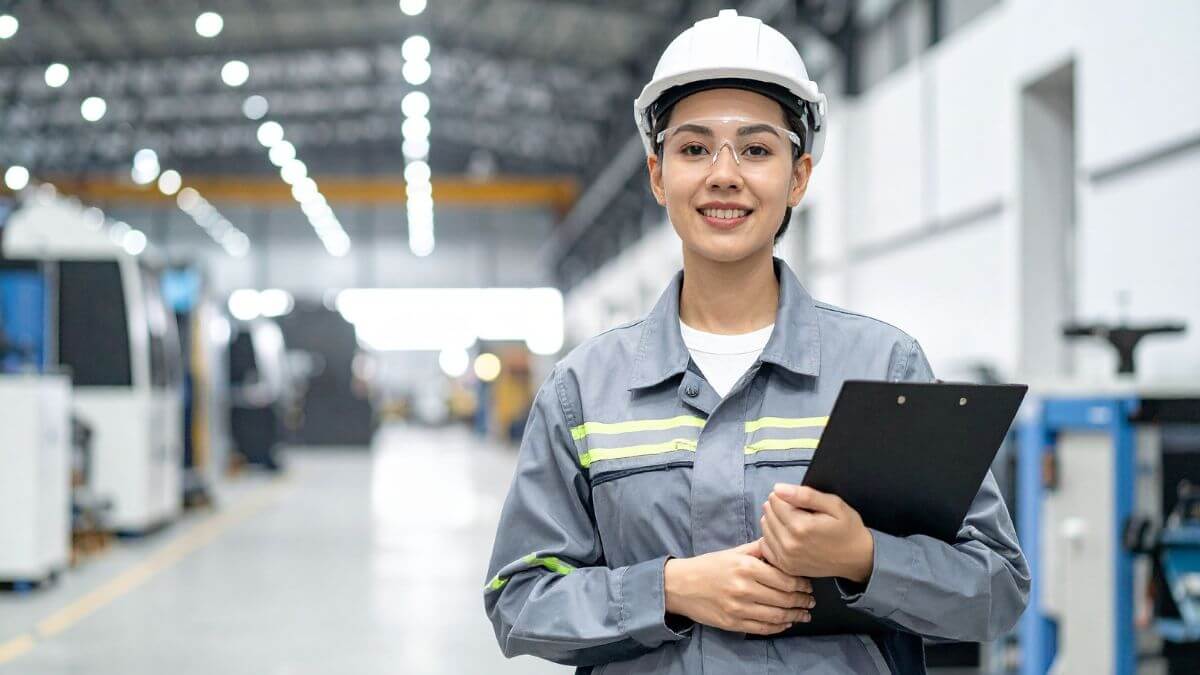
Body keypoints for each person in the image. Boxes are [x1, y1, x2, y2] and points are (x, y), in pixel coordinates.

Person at [484, 10, 1029, 674]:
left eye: (756, 148)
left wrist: (863, 555)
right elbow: (518, 599)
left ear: (798, 176)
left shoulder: (884, 366)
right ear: (658, 177)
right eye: (693, 148)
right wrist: (671, 588)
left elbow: (996, 588)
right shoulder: (586, 389)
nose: (724, 174)